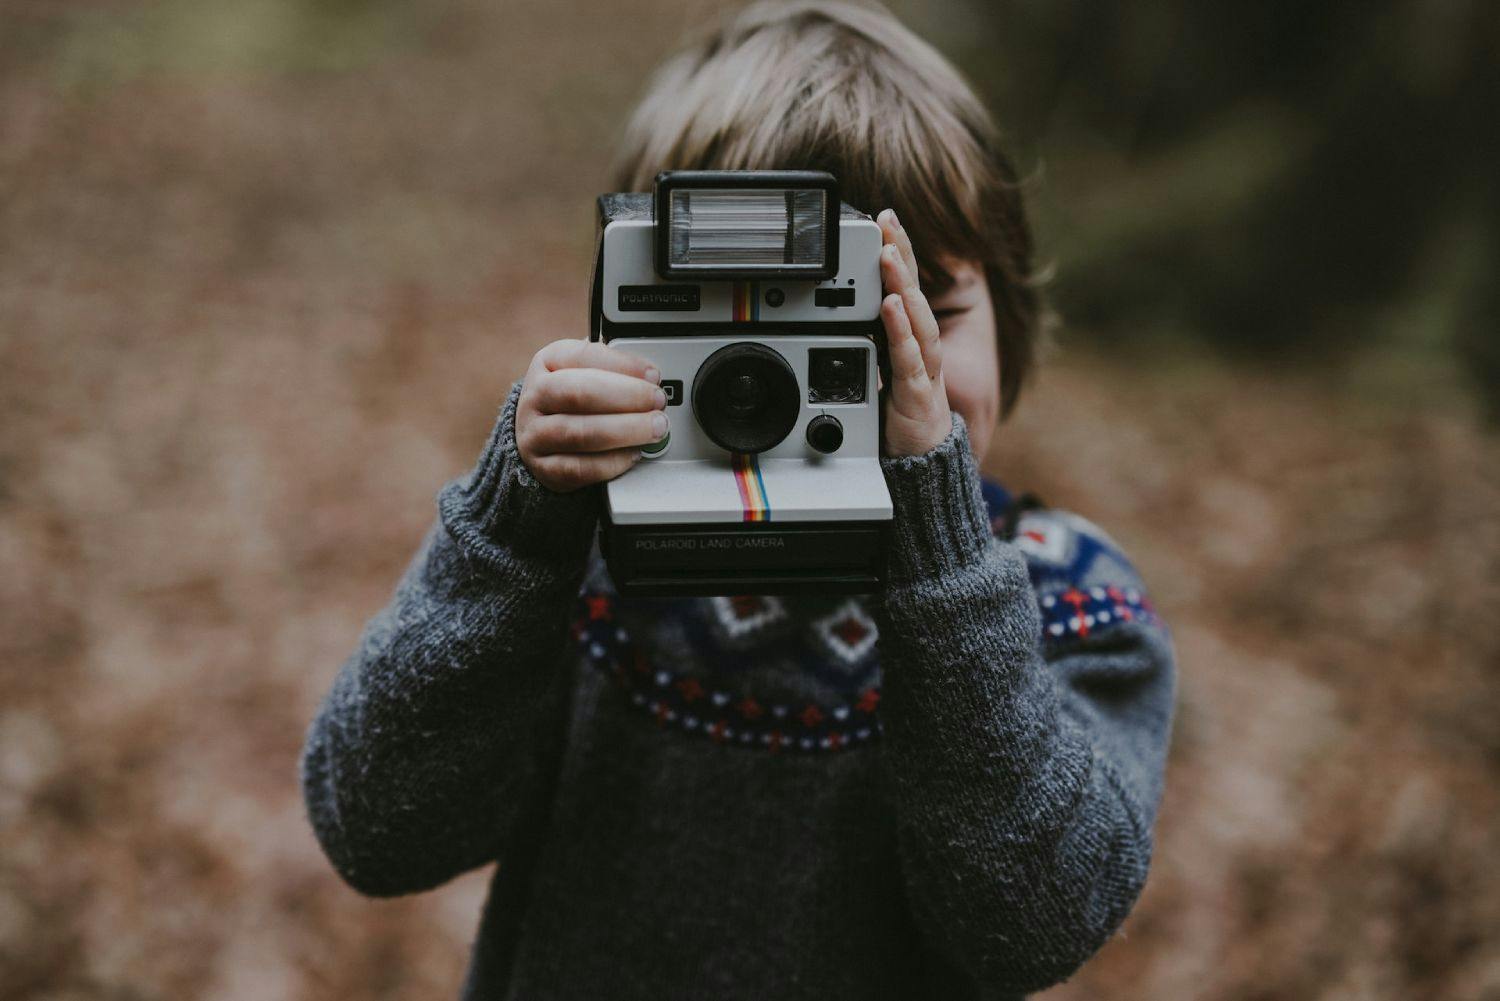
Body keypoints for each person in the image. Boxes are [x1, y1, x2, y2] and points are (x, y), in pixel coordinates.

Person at [299, 3, 1177, 998]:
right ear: (629, 320)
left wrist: (938, 550)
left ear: (1011, 317)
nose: (870, 370)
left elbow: (1031, 922)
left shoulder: (1068, 595)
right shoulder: (581, 563)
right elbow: (378, 825)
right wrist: (518, 521)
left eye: (913, 312)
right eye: (769, 324)